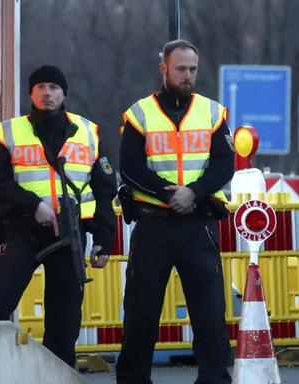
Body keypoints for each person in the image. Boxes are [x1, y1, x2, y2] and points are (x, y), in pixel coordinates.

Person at [0, 65, 117, 367]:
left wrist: (104, 238)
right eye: (41, 87)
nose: (47, 93)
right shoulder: (9, 131)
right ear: (31, 93)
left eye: (54, 87)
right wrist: (33, 205)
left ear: (64, 93)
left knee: (66, 311)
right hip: (25, 228)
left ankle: (56, 372)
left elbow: (104, 191)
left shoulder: (89, 132)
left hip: (70, 232)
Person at [116, 40, 234, 384]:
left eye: (193, 69)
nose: (187, 75)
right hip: (154, 224)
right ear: (163, 69)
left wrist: (193, 192)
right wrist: (172, 196)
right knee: (141, 313)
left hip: (198, 224)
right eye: (180, 68)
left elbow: (224, 165)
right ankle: (133, 379)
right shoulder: (140, 113)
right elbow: (131, 167)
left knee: (210, 313)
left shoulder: (213, 112)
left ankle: (214, 379)